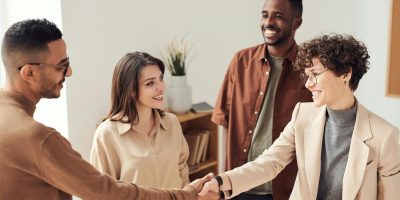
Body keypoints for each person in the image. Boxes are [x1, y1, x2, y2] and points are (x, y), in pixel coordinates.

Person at [0, 18, 217, 200]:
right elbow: (104, 192)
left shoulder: (170, 123)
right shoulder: (39, 138)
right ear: (28, 73)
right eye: (61, 66)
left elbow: (181, 170)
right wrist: (183, 196)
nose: (69, 72)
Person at [200, 33, 400, 199]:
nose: (308, 84)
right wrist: (221, 182)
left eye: (315, 74)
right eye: (307, 75)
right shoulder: (302, 115)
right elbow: (270, 163)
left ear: (345, 74)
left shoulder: (385, 136)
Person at [211, 0, 312, 199]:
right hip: (238, 186)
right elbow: (224, 120)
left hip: (285, 189)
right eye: (265, 15)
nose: (269, 22)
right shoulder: (240, 61)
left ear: (296, 23)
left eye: (278, 16)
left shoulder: (309, 69)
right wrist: (224, 178)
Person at [90, 52, 190, 189]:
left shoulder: (172, 123)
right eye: (150, 83)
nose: (160, 87)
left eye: (161, 79)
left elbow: (182, 171)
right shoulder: (107, 134)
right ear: (130, 89)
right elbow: (101, 191)